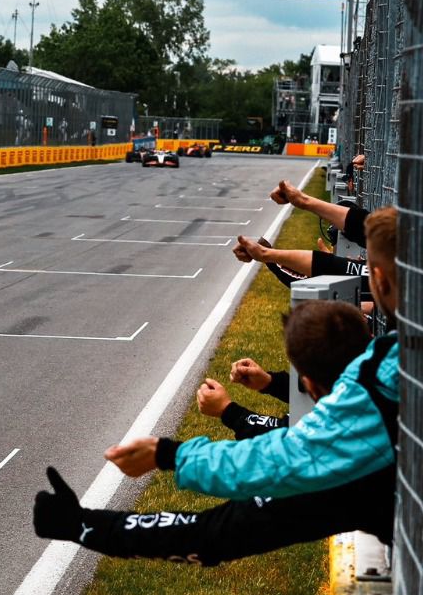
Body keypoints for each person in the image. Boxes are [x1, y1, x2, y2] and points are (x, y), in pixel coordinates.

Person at [33, 299, 395, 566]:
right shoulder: (396, 360)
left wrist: (83, 523)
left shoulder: (334, 467)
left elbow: (208, 532)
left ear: (309, 384)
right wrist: (267, 387)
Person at [102, 206, 398, 500]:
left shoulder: (379, 380)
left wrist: (221, 417)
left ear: (379, 279)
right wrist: (269, 382)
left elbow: (286, 453)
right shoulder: (388, 358)